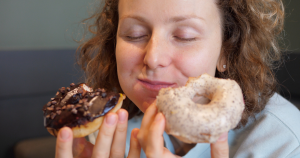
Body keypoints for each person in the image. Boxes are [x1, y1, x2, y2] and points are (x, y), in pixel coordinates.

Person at [55, 0, 300, 157]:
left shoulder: (285, 142)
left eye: (184, 36)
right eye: (135, 34)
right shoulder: (109, 130)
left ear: (226, 49)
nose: (153, 57)